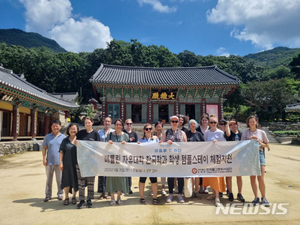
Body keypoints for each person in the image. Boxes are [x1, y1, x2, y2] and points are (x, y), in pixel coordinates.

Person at [241, 115, 270, 207]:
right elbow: (241, 145)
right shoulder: (245, 133)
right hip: (250, 155)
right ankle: (256, 197)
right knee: (252, 178)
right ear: (248, 123)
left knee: (260, 178)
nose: (252, 123)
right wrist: (249, 140)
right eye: (250, 122)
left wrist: (260, 142)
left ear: (256, 122)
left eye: (253, 121)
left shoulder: (261, 132)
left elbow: (267, 145)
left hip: (259, 153)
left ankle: (264, 197)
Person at [76, 116, 101, 209]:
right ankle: (82, 200)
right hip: (81, 160)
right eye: (86, 123)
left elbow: (98, 146)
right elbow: (77, 144)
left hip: (92, 161)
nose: (87, 124)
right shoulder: (81, 133)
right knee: (81, 181)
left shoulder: (95, 134)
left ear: (92, 123)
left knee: (91, 182)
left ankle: (89, 199)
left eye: (89, 122)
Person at [162, 115, 187, 203]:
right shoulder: (166, 132)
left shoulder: (182, 133)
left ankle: (180, 194)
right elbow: (161, 143)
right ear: (170, 122)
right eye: (173, 121)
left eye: (176, 121)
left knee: (180, 177)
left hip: (180, 158)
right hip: (170, 157)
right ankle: (171, 194)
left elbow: (186, 145)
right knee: (171, 176)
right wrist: (166, 142)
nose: (174, 123)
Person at [203, 114, 226, 207]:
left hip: (218, 158)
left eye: (214, 122)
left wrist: (218, 143)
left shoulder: (220, 133)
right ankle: (213, 193)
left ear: (217, 123)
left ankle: (217, 197)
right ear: (209, 123)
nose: (213, 124)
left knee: (217, 177)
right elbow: (204, 145)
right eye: (211, 122)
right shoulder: (207, 133)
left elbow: (225, 144)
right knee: (211, 176)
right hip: (209, 158)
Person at [107, 119, 130, 205]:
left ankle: (119, 197)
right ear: (114, 125)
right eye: (116, 124)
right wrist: (108, 143)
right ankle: (112, 198)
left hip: (122, 161)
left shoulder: (126, 136)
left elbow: (130, 148)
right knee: (112, 178)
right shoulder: (110, 135)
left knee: (121, 178)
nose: (118, 126)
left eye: (120, 124)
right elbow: (105, 146)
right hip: (112, 160)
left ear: (122, 126)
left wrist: (126, 144)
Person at [42, 120, 66, 202]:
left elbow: (65, 150)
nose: (56, 127)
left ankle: (60, 194)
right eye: (54, 126)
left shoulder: (63, 137)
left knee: (60, 179)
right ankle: (48, 195)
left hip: (60, 162)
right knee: (49, 179)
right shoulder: (47, 137)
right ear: (51, 127)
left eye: (57, 126)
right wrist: (44, 158)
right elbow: (44, 148)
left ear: (60, 127)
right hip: (49, 161)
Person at [137, 123, 159, 205]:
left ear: (152, 130)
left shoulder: (156, 139)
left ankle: (155, 198)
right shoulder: (140, 139)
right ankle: (142, 197)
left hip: (153, 163)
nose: (148, 130)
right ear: (144, 130)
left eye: (150, 129)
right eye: (146, 129)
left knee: (154, 180)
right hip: (143, 163)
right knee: (142, 180)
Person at [224, 119, 245, 202]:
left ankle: (239, 193)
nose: (233, 126)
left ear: (237, 124)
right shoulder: (227, 133)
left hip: (239, 157)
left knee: (239, 176)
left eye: (234, 124)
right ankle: (230, 192)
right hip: (229, 157)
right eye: (231, 125)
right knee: (229, 175)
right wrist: (227, 124)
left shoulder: (241, 134)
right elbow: (228, 134)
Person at [59, 123, 79, 205]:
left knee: (76, 180)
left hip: (77, 164)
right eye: (71, 129)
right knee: (66, 180)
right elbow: (61, 152)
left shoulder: (80, 140)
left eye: (74, 129)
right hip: (67, 163)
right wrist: (60, 163)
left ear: (77, 130)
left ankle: (74, 196)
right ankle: (66, 197)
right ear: (68, 130)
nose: (73, 130)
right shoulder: (65, 140)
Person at [186, 119, 204, 198]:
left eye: (194, 124)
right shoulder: (186, 134)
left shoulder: (199, 134)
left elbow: (204, 144)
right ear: (189, 125)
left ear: (196, 125)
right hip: (189, 157)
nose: (192, 125)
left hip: (198, 157)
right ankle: (191, 190)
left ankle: (196, 190)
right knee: (191, 174)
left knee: (197, 174)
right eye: (191, 124)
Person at [97, 117, 115, 200]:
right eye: (105, 121)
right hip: (101, 155)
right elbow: (96, 142)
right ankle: (102, 192)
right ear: (103, 122)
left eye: (108, 121)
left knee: (109, 173)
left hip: (110, 155)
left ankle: (109, 191)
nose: (107, 122)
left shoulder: (113, 132)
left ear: (110, 123)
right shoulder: (99, 132)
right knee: (101, 174)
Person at [123, 118, 138, 194]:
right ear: (125, 124)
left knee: (129, 173)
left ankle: (129, 188)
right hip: (122, 155)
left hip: (130, 155)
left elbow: (136, 145)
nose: (129, 125)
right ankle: (122, 188)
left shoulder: (134, 134)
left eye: (130, 124)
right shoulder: (122, 132)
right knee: (122, 172)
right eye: (127, 124)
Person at [196, 114, 210, 194]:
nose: (204, 121)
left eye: (206, 120)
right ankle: (201, 186)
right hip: (200, 152)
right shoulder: (198, 129)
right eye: (203, 120)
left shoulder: (211, 128)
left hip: (209, 152)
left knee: (207, 169)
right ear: (201, 121)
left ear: (208, 121)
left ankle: (206, 186)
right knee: (200, 169)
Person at [154, 121, 167, 196]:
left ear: (162, 127)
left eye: (160, 126)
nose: (158, 128)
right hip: (154, 157)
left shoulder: (164, 136)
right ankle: (154, 188)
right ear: (155, 128)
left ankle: (163, 188)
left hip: (163, 157)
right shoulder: (153, 136)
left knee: (163, 173)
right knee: (154, 173)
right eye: (157, 126)